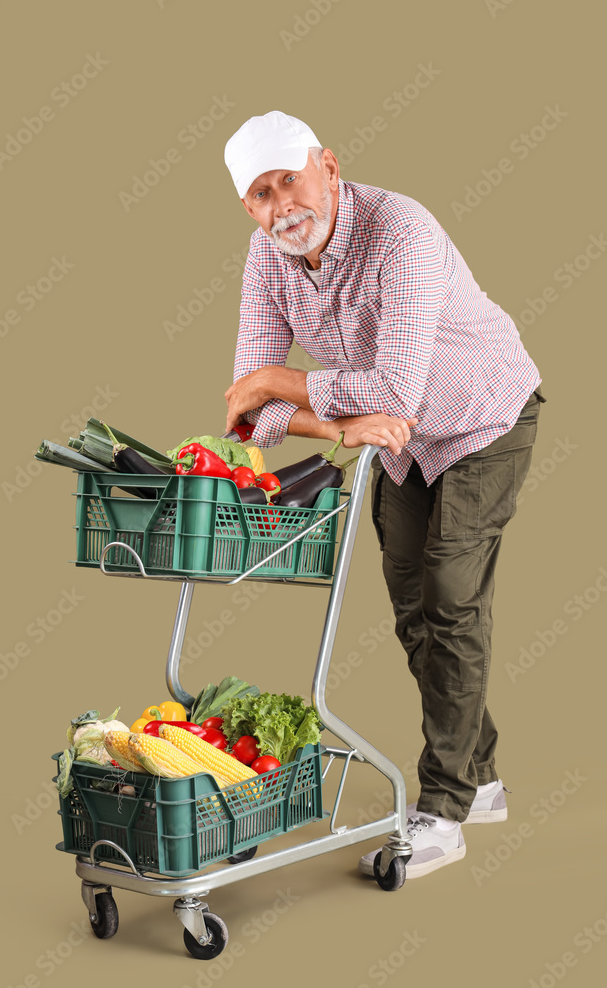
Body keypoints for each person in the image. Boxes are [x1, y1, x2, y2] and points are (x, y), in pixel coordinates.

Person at [222, 110, 545, 880]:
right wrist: (332, 422)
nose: (281, 207)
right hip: (395, 446)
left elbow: (391, 388)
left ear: (327, 166)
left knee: (449, 593)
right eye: (261, 196)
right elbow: (245, 418)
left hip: (481, 416)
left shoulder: (401, 230)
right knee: (409, 605)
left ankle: (441, 808)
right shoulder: (266, 260)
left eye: (289, 182)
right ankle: (482, 774)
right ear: (248, 207)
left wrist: (277, 380)